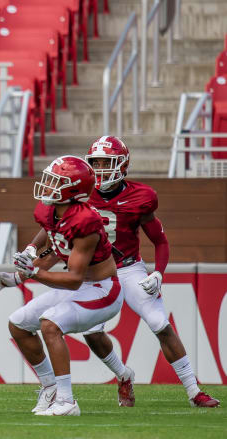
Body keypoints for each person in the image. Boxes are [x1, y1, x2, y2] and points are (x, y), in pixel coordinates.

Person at [80, 136, 217, 407]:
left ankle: (193, 391)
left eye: (106, 162)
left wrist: (158, 273)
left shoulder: (141, 196)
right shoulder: (81, 193)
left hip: (129, 269)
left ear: (121, 165)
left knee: (159, 324)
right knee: (92, 333)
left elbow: (160, 241)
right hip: (97, 273)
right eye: (95, 162)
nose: (99, 168)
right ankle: (123, 375)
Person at [0, 156, 123, 416]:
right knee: (18, 323)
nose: (47, 185)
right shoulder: (51, 210)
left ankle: (67, 401)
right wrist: (22, 267)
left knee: (50, 324)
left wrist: (33, 272)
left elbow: (73, 278)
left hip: (103, 289)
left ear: (73, 189)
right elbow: (54, 238)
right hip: (81, 286)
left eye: (55, 181)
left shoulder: (86, 222)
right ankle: (50, 388)